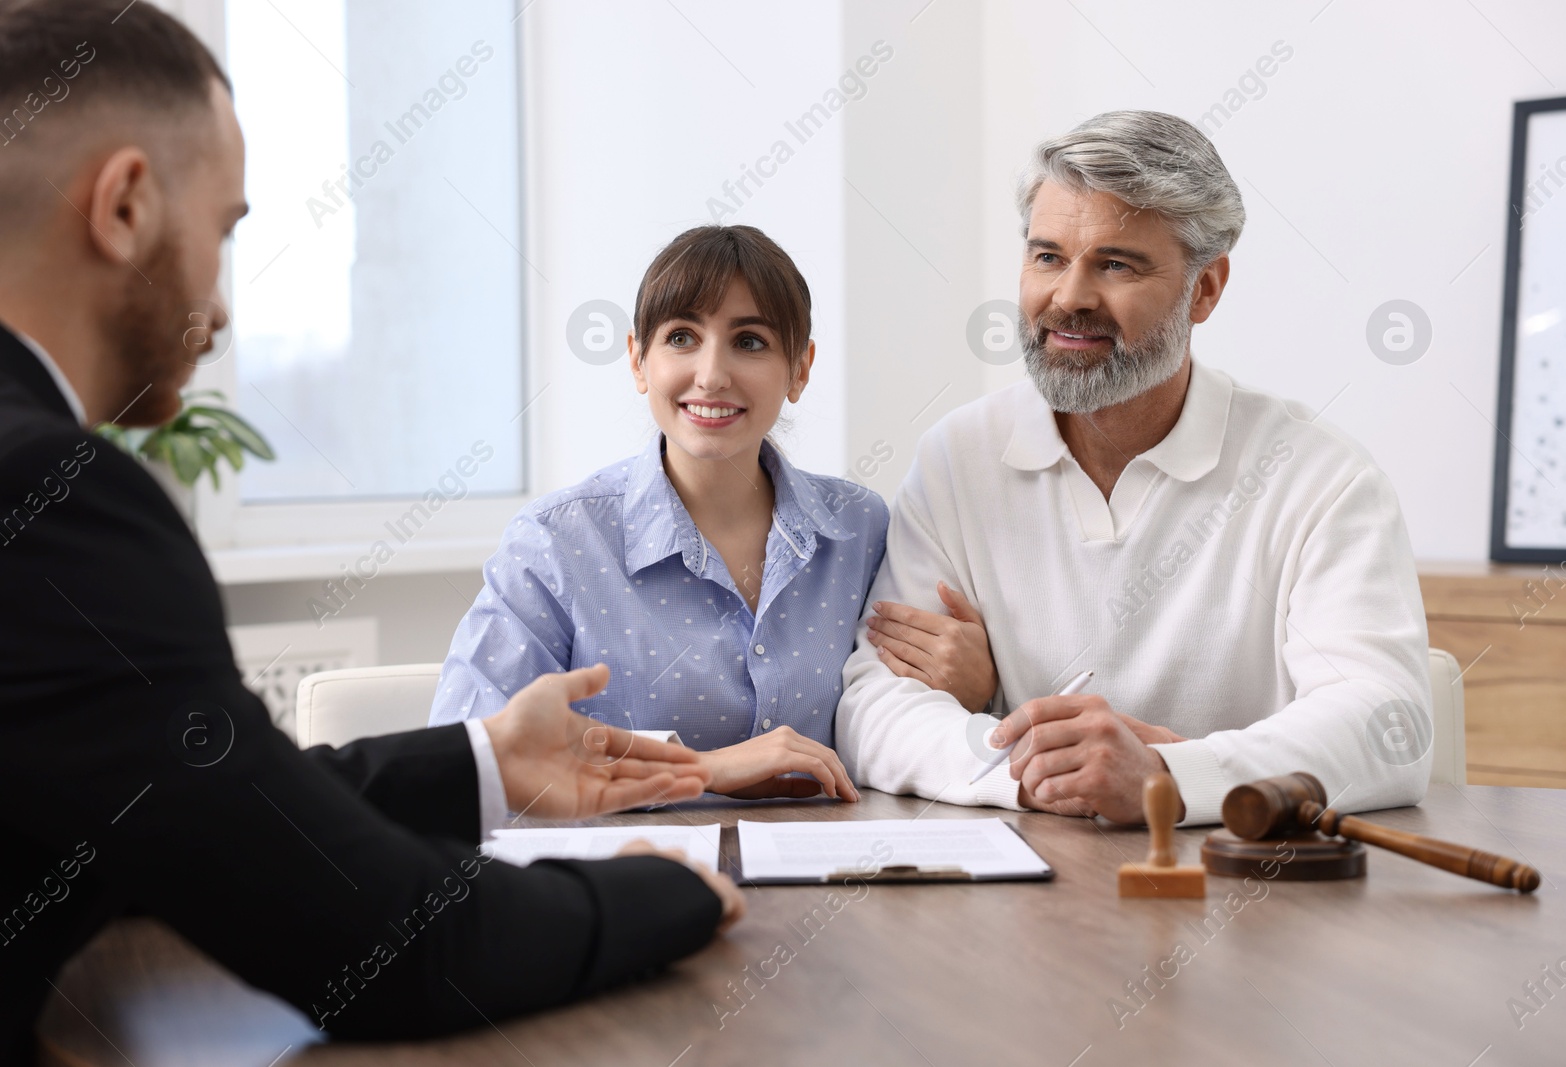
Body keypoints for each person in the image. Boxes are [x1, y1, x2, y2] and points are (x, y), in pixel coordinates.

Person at [0, 2, 742, 1060]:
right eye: (223, 231)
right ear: (123, 207)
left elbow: (203, 805)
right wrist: (666, 887)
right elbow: (400, 946)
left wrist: (483, 755)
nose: (222, 305)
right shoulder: (48, 496)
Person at [840, 110, 1433, 826]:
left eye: (1115, 263)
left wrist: (1165, 775)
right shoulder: (955, 458)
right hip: (1026, 888)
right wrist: (1034, 770)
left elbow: (1387, 724)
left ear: (1206, 289)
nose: (1069, 298)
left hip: (1246, 902)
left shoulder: (1321, 477)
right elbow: (873, 706)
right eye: (1047, 256)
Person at [431, 224, 997, 800]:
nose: (711, 374)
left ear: (800, 368)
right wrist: (698, 769)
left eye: (750, 342)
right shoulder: (557, 542)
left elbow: (900, 715)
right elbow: (469, 757)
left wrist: (975, 687)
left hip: (828, 872)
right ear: (637, 360)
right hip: (632, 879)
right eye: (681, 337)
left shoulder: (861, 528)